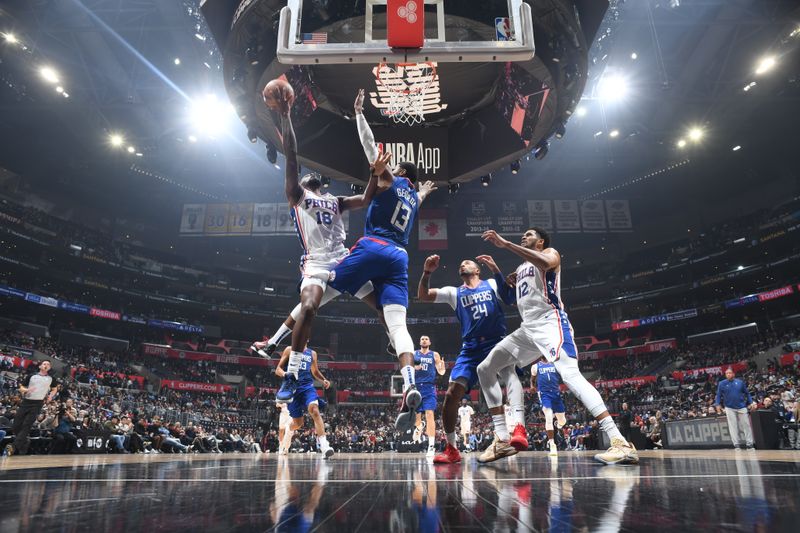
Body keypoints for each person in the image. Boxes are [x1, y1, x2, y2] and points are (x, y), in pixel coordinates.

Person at [324, 92, 437, 432]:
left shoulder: (390, 178)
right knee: (399, 327)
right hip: (400, 259)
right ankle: (409, 381)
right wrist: (425, 192)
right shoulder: (414, 198)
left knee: (325, 286)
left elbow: (369, 145)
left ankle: (287, 329)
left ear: (399, 171)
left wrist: (359, 113)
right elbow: (418, 194)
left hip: (375, 245)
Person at [477, 227, 638, 465]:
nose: (524, 236)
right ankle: (502, 439)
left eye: (530, 235)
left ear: (541, 242)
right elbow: (510, 299)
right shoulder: (521, 268)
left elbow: (545, 262)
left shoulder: (551, 253)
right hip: (527, 329)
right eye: (524, 235)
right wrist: (498, 271)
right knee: (485, 368)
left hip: (551, 323)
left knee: (571, 376)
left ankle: (619, 442)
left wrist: (506, 245)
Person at [270, 88, 383, 404]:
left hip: (343, 259)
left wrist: (374, 173)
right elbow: (292, 154)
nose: (308, 177)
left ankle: (396, 342)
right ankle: (292, 375)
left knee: (384, 303)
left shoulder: (335, 200)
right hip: (318, 262)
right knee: (308, 307)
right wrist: (285, 115)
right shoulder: (298, 196)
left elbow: (367, 198)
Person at [416, 254, 522, 464]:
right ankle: (452, 448)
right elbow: (424, 296)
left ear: (477, 270)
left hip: (496, 342)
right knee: (451, 393)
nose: (462, 263)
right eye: (460, 263)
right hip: (471, 348)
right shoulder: (454, 293)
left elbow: (511, 298)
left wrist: (508, 277)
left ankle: (510, 433)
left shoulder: (491, 284)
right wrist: (427, 273)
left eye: (467, 262)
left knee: (509, 380)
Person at [276, 344, 334, 458]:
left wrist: (323, 380)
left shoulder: (312, 353)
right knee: (298, 423)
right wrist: (285, 374)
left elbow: (315, 371)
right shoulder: (289, 349)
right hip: (293, 389)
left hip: (308, 388)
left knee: (315, 410)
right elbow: (278, 369)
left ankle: (324, 446)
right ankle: (289, 430)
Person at [6, 360, 59, 457]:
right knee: (16, 425)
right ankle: (25, 441)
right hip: (26, 401)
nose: (46, 365)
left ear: (50, 368)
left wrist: (51, 396)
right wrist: (27, 390)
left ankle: (13, 446)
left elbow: (55, 388)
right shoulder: (32, 376)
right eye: (44, 364)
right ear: (40, 366)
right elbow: (21, 387)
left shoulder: (51, 379)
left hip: (38, 403)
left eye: (48, 364)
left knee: (27, 424)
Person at [411, 335, 445, 457]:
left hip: (429, 387)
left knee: (429, 414)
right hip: (416, 387)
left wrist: (442, 366)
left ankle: (431, 446)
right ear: (419, 342)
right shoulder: (414, 354)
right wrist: (415, 367)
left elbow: (441, 372)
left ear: (430, 342)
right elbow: (406, 369)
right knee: (417, 416)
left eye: (426, 339)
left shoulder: (434, 355)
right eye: (422, 339)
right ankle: (419, 427)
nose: (424, 340)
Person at [715, 367, 757, 449]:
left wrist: (751, 402)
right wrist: (717, 404)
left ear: (733, 374)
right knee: (733, 426)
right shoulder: (721, 383)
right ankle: (736, 444)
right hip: (729, 407)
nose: (728, 374)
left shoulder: (740, 382)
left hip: (741, 406)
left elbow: (747, 393)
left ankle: (749, 443)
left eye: (730, 373)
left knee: (746, 425)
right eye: (727, 373)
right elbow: (718, 395)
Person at [532, 360, 567, 456]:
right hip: (544, 394)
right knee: (548, 416)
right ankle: (552, 444)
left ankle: (559, 425)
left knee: (563, 421)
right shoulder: (535, 366)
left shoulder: (555, 363)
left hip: (556, 393)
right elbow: (533, 379)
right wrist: (532, 386)